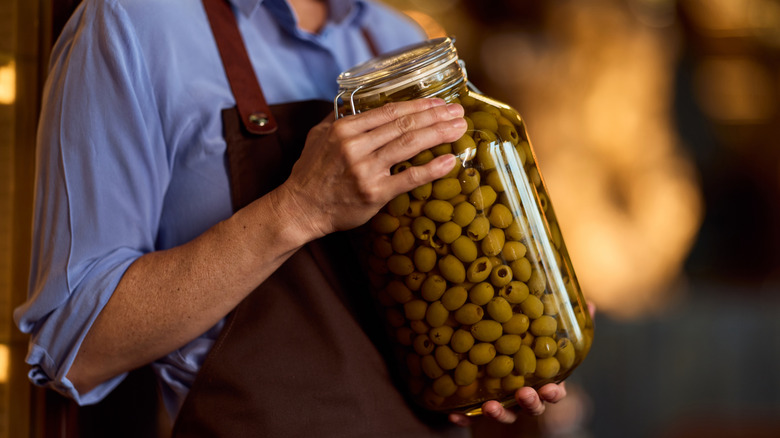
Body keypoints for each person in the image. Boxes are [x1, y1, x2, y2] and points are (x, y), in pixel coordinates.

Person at [15, 0, 569, 435]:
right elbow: (79, 347)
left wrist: (496, 350)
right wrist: (300, 207)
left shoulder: (398, 38)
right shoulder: (133, 22)